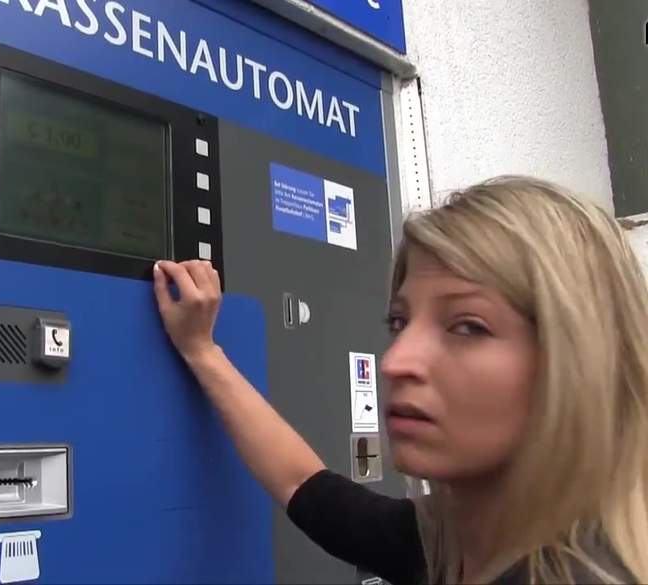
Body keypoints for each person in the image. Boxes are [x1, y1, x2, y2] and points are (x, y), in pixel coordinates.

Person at [151, 176, 647, 584]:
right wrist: (203, 351)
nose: (395, 361)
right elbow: (303, 484)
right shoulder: (449, 544)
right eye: (399, 321)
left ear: (578, 358)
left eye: (467, 327)